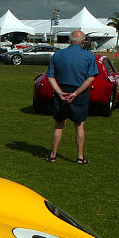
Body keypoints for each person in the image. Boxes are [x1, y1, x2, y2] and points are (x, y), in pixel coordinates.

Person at [43, 30, 98, 164]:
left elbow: (50, 76)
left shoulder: (58, 54)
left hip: (61, 91)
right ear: (83, 42)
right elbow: (90, 78)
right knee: (79, 125)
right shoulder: (88, 56)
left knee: (59, 124)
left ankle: (53, 155)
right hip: (79, 92)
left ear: (70, 41)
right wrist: (75, 93)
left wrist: (60, 92)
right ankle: (80, 156)